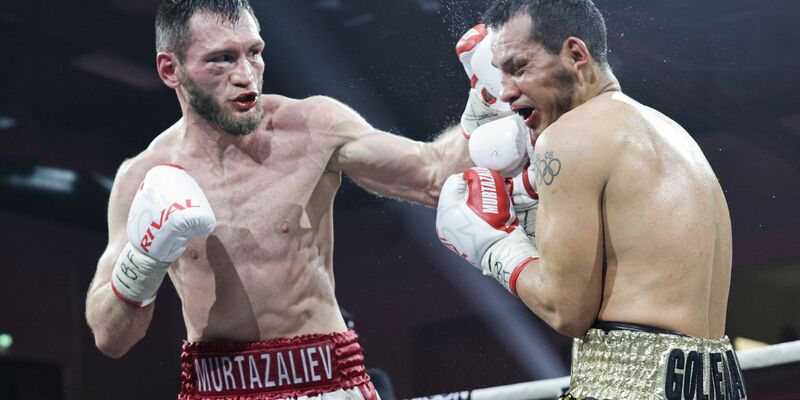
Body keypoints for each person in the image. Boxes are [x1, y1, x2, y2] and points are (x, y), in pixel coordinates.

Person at [83, 1, 504, 399]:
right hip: (217, 387)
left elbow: (433, 175)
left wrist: (486, 102)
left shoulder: (312, 126)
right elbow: (110, 338)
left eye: (254, 53)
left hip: (328, 379)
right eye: (222, 59)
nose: (246, 75)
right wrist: (143, 261)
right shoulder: (143, 178)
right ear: (170, 69)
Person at [435, 1, 748, 399]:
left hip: (631, 386)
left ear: (575, 54)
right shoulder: (672, 134)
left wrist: (494, 246)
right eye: (501, 74)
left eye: (519, 68)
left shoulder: (567, 138)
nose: (507, 91)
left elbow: (565, 310)